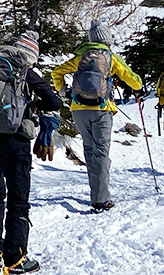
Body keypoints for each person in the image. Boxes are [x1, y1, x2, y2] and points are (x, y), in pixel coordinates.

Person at [0, 30, 60, 275]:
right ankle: (16, 259)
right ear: (31, 55)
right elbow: (54, 103)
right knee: (18, 200)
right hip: (14, 139)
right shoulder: (24, 71)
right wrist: (32, 106)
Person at [50, 19, 143, 213]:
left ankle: (97, 193)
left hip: (78, 109)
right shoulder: (111, 58)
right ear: (106, 40)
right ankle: (100, 199)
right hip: (102, 109)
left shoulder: (80, 57)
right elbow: (135, 82)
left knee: (90, 150)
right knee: (101, 152)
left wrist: (63, 91)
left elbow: (57, 72)